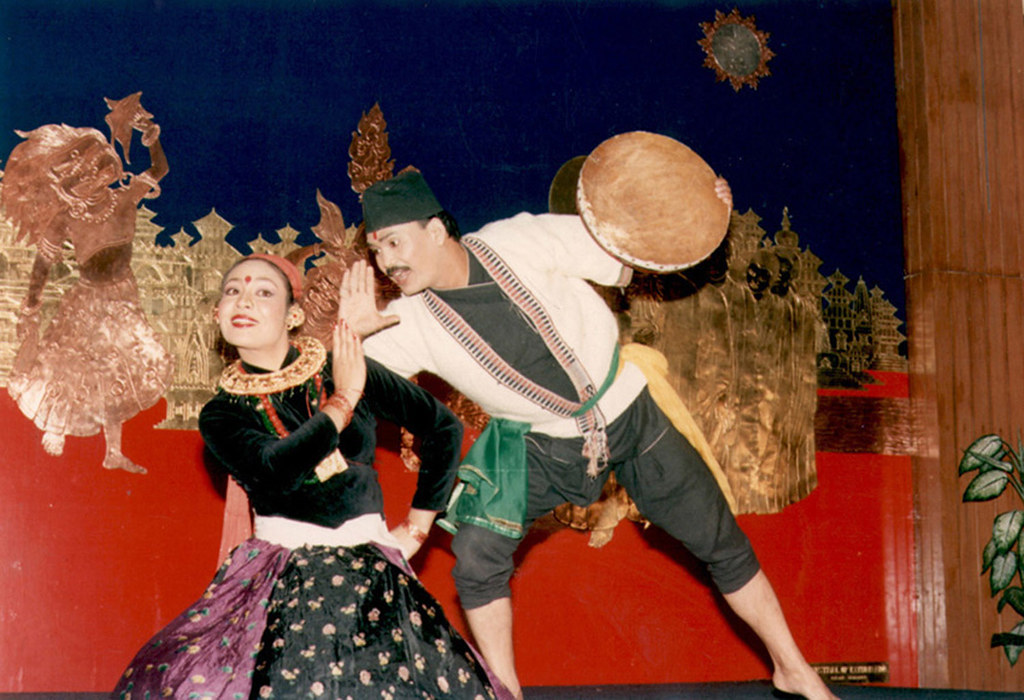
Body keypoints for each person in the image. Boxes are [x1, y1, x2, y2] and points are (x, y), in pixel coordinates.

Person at [339, 170, 838, 700]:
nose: (386, 261)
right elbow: (341, 390)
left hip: (628, 412)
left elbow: (632, 247)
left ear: (437, 230)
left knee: (720, 539)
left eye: (395, 243)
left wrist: (699, 205)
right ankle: (507, 694)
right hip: (542, 445)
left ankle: (793, 669)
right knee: (478, 552)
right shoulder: (407, 321)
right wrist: (355, 335)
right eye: (377, 250)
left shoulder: (517, 239)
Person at [112, 253, 509, 700]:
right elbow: (276, 469)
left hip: (372, 570)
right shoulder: (222, 414)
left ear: (293, 315)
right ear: (217, 314)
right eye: (232, 291)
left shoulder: (342, 366)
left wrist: (417, 529)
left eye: (264, 292)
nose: (244, 301)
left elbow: (443, 427)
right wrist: (344, 400)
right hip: (283, 572)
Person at [2, 93, 173, 473]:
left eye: (98, 170)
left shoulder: (125, 199)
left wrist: (151, 135)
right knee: (69, 366)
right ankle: (56, 426)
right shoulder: (66, 218)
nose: (93, 178)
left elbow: (159, 168)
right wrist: (31, 303)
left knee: (116, 371)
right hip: (86, 300)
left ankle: (113, 452)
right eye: (82, 176)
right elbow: (43, 263)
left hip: (122, 297)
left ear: (109, 168)